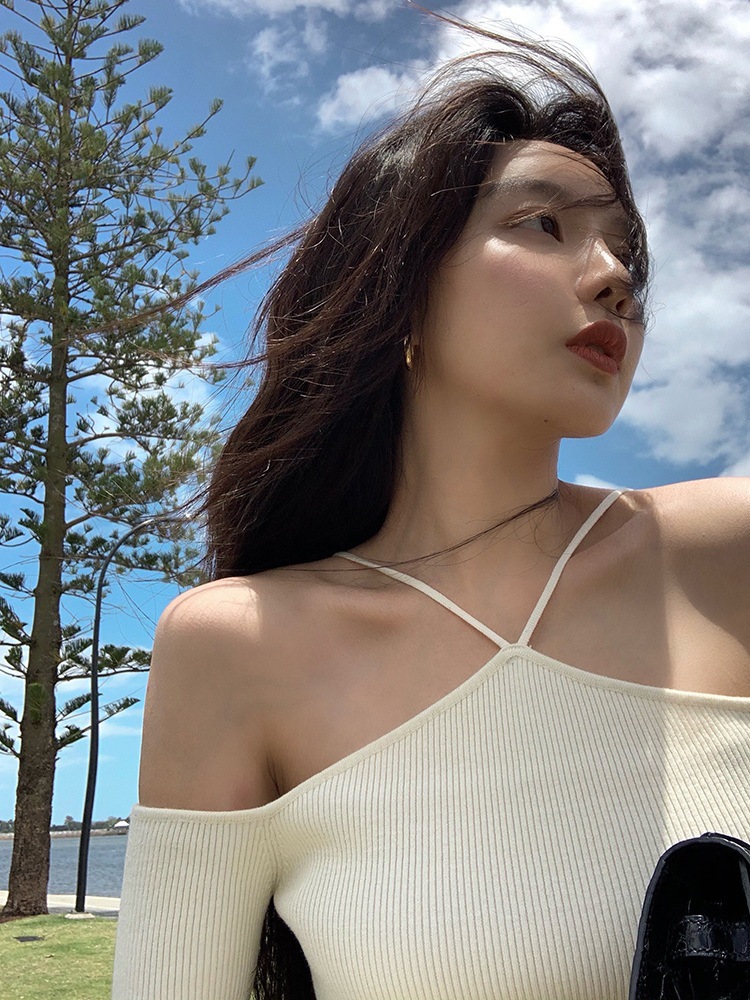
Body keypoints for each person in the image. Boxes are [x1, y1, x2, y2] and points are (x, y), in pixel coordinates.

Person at [111, 10, 750, 1000]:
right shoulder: (240, 648)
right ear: (400, 290)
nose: (617, 278)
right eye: (543, 225)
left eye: (625, 250)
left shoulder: (722, 553)